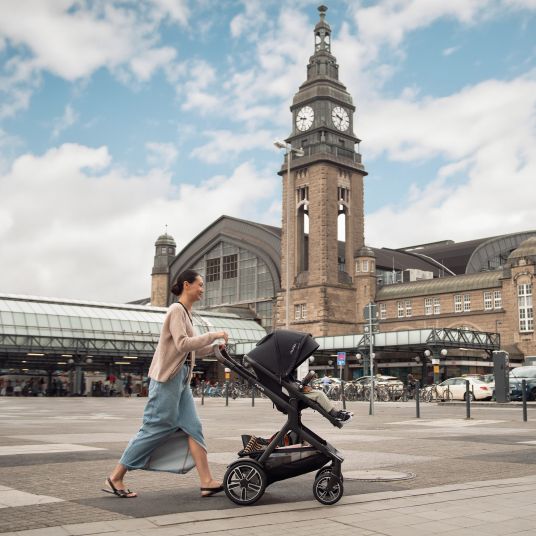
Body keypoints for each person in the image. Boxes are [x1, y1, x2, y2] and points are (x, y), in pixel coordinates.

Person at [103, 269, 229, 499]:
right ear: (186, 285)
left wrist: (213, 348)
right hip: (167, 380)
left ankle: (207, 481)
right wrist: (213, 335)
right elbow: (182, 344)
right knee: (155, 427)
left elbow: (193, 349)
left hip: (181, 380)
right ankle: (116, 476)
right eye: (199, 284)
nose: (202, 289)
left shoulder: (188, 314)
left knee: (194, 428)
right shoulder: (176, 310)